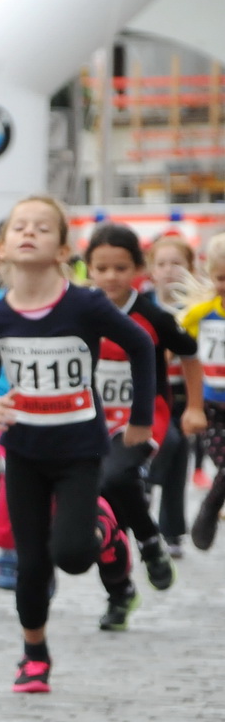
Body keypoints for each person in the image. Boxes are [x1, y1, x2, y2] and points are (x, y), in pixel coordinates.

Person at [0, 196, 157, 693]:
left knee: (73, 555)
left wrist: (140, 419)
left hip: (79, 451)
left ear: (61, 249)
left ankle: (108, 535)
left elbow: (140, 345)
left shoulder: (85, 304)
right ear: (1, 248)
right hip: (25, 455)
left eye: (43, 228)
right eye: (19, 227)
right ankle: (34, 654)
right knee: (30, 566)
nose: (29, 233)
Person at [82, 224, 202, 628]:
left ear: (138, 268)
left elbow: (189, 355)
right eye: (102, 268)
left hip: (143, 419)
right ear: (89, 271)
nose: (112, 276)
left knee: (113, 479)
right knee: (100, 507)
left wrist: (195, 407)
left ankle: (149, 545)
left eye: (121, 267)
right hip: (89, 421)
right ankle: (121, 590)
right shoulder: (78, 310)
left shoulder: (152, 314)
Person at [148, 234, 206, 554]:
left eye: (177, 263)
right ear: (151, 270)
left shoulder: (195, 309)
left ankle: (172, 531)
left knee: (178, 457)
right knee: (165, 442)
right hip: (150, 391)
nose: (169, 270)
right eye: (162, 264)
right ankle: (143, 483)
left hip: (184, 394)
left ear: (190, 268)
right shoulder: (144, 304)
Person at [178, 233, 225, 551]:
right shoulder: (201, 313)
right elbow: (180, 347)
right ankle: (210, 507)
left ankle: (211, 505)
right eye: (222, 278)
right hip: (212, 405)